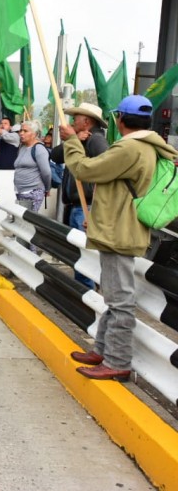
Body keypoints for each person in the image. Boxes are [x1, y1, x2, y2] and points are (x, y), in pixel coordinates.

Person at [60, 95, 178, 381]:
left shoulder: (130, 148)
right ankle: (103, 350)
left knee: (120, 300)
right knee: (113, 296)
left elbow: (85, 169)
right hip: (121, 227)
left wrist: (71, 141)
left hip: (119, 232)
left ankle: (117, 360)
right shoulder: (149, 147)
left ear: (119, 119)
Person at [50, 102, 108, 289]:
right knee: (80, 253)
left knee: (85, 254)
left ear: (86, 121)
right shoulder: (81, 138)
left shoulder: (96, 140)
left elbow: (105, 170)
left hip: (87, 207)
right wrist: (73, 140)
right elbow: (56, 156)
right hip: (77, 207)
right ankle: (84, 290)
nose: (73, 122)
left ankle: (87, 294)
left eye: (76, 119)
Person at [13, 120, 51, 215]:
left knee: (27, 222)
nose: (21, 133)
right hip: (21, 191)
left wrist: (47, 189)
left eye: (25, 131)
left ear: (34, 134)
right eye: (21, 130)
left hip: (33, 192)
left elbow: (46, 172)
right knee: (21, 222)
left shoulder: (39, 149)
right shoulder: (22, 148)